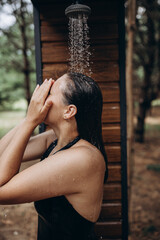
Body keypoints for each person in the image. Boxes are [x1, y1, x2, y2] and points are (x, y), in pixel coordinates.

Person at [0, 72, 108, 240]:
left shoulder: (82, 159)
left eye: (49, 92)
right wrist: (29, 119)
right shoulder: (56, 139)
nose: (41, 97)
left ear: (69, 111)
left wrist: (31, 121)